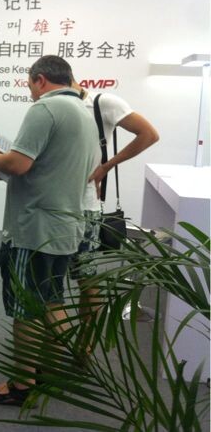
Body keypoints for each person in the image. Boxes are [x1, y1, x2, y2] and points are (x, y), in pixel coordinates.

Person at [0, 55, 98, 406]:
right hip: (65, 227)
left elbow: (18, 163)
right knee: (52, 300)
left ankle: (22, 383)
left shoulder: (45, 109)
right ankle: (53, 368)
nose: (30, 93)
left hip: (34, 229)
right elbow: (47, 168)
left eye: (30, 85)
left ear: (40, 80)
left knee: (25, 308)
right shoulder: (84, 113)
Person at [70, 80, 159, 350]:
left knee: (87, 280)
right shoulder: (53, 106)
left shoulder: (102, 103)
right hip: (53, 208)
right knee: (51, 281)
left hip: (85, 209)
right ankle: (55, 347)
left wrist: (107, 166)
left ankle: (85, 346)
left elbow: (149, 134)